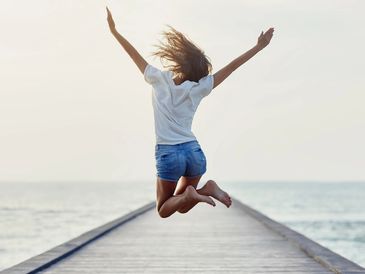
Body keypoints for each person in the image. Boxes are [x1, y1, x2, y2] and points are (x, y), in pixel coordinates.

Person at [106, 7, 274, 218]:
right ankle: (206, 189)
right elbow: (231, 68)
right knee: (183, 205)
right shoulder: (199, 88)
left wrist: (115, 32)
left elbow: (134, 55)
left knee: (164, 209)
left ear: (179, 61)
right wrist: (258, 47)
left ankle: (194, 194)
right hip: (194, 153)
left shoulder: (158, 79)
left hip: (169, 153)